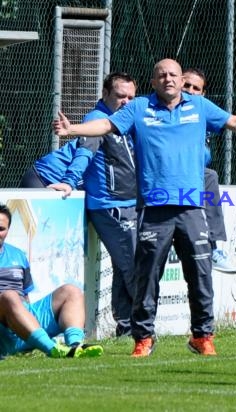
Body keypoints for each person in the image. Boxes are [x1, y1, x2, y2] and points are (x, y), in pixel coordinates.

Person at [52, 58, 236, 358]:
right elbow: (105, 124)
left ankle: (203, 336)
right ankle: (143, 339)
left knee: (200, 273)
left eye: (173, 75)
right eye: (161, 75)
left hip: (192, 209)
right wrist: (72, 129)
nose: (168, 79)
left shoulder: (199, 108)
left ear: (182, 80)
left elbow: (234, 122)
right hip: (154, 209)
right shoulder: (140, 108)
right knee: (146, 278)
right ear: (154, 82)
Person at [47, 72, 138, 338]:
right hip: (109, 206)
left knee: (128, 266)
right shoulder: (97, 120)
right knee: (133, 266)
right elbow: (84, 153)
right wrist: (69, 181)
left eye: (131, 97)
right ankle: (142, 325)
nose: (126, 102)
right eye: (120, 96)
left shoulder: (127, 121)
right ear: (105, 95)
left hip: (132, 203)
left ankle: (127, 325)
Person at [0, 203, 103, 359]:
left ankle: (75, 346)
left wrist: (22, 317)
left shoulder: (17, 254)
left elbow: (26, 294)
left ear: (8, 230)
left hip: (24, 316)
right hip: (3, 328)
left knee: (71, 290)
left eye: (1, 229)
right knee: (9, 296)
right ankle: (51, 348)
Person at [182, 67, 236, 274]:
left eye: (196, 88)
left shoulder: (202, 112)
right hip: (161, 176)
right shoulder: (158, 108)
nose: (190, 90)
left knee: (209, 176)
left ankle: (214, 246)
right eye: (186, 85)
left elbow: (234, 122)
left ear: (203, 94)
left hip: (190, 177)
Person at [19, 138, 86, 189]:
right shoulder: (92, 138)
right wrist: (68, 183)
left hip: (53, 179)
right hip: (44, 177)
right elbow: (81, 160)